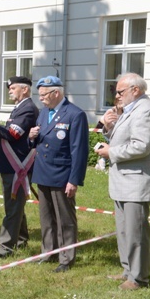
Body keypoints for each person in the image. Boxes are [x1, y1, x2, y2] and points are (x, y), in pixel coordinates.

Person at [95, 73, 150, 290]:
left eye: (120, 91)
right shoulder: (132, 109)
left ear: (136, 90)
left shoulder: (146, 111)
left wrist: (110, 152)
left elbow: (141, 146)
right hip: (125, 181)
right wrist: (107, 128)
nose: (117, 95)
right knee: (124, 230)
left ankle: (139, 278)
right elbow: (121, 138)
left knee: (136, 232)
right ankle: (128, 271)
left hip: (137, 182)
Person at [29, 76, 89, 272]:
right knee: (46, 217)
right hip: (43, 172)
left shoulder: (74, 114)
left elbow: (79, 151)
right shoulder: (43, 113)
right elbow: (39, 142)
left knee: (65, 219)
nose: (41, 99)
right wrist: (31, 138)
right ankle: (49, 252)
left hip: (62, 175)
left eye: (44, 95)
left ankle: (66, 257)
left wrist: (74, 180)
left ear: (56, 93)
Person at [0, 76, 39, 257]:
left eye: (13, 88)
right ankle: (21, 239)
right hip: (11, 164)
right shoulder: (20, 109)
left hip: (17, 166)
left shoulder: (27, 109)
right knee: (15, 205)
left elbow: (12, 135)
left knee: (12, 208)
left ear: (25, 89)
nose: (10, 91)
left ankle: (5, 247)